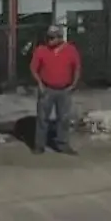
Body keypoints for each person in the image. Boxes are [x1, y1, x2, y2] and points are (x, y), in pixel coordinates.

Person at [31, 24, 81, 155]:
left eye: (52, 38)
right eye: (48, 37)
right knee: (42, 118)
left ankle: (62, 144)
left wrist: (74, 84)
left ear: (60, 38)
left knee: (64, 118)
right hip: (47, 89)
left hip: (64, 90)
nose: (49, 40)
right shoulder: (41, 50)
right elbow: (33, 68)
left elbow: (77, 68)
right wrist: (40, 84)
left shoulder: (70, 50)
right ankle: (39, 145)